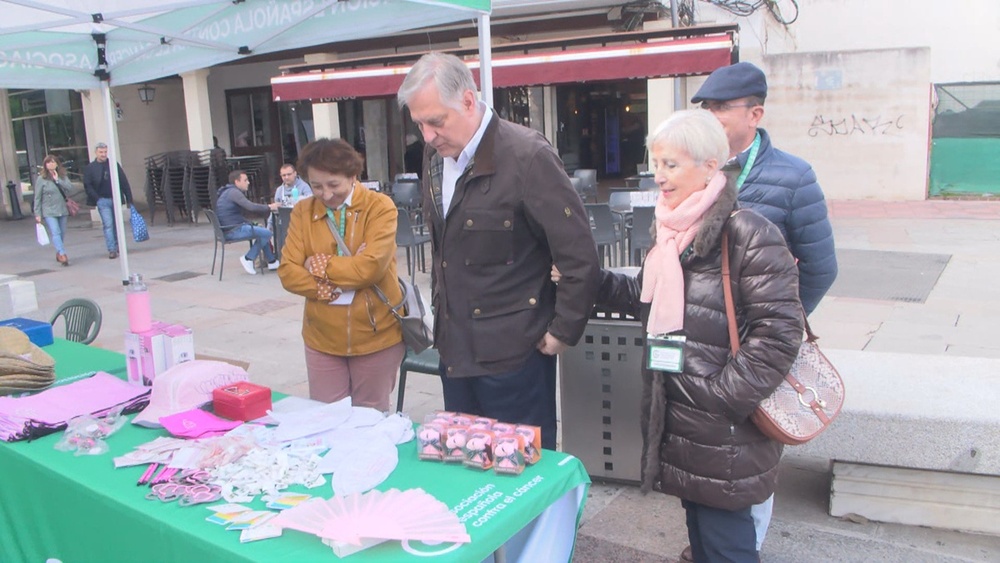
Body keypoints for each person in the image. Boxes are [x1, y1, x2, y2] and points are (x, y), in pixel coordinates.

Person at [554, 110, 803, 562]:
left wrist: (721, 396)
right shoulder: (673, 230)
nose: (660, 177)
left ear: (711, 165)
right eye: (657, 163)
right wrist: (585, 279)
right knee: (703, 539)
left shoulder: (747, 232)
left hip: (723, 427)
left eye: (672, 164)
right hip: (681, 417)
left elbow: (780, 333)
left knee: (727, 545)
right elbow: (645, 297)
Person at [396, 52, 600, 450]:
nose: (427, 135)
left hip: (515, 356)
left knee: (522, 476)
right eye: (419, 123)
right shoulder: (434, 155)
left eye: (436, 121)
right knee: (470, 469)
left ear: (469, 101)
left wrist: (563, 330)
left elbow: (579, 255)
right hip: (455, 349)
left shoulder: (528, 156)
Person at [690, 60, 839, 560]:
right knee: (713, 468)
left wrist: (776, 333)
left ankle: (744, 548)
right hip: (704, 350)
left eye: (721, 108)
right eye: (705, 107)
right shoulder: (693, 168)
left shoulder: (792, 177)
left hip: (758, 354)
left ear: (755, 113)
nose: (710, 117)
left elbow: (819, 267)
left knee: (751, 464)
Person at [277, 139, 404, 411]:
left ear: (352, 176)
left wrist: (319, 264)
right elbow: (288, 272)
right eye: (316, 186)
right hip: (322, 335)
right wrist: (324, 287)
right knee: (326, 416)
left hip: (376, 332)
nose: (325, 194)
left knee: (369, 417)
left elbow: (371, 268)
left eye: (333, 184)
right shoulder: (303, 210)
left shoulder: (379, 207)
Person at [214, 170, 280, 275]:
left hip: (228, 229)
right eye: (245, 180)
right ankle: (248, 258)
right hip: (233, 231)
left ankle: (272, 261)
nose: (248, 182)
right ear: (237, 182)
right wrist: (269, 207)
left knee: (261, 231)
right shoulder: (234, 193)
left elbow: (234, 215)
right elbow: (250, 206)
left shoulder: (227, 192)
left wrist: (252, 224)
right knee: (266, 233)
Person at [83, 142, 134, 259]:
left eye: (105, 152)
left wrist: (129, 198)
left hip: (115, 198)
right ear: (96, 152)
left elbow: (123, 182)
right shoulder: (90, 168)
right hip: (102, 200)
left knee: (117, 224)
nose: (103, 154)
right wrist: (96, 198)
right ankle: (112, 249)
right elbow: (87, 185)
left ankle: (118, 246)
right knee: (108, 224)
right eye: (101, 152)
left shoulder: (113, 165)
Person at [33, 155, 74, 266]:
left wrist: (58, 180)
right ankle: (62, 253)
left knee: (62, 232)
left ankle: (58, 250)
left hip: (62, 209)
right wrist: (37, 213)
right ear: (45, 165)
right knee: (55, 232)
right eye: (48, 162)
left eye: (53, 162)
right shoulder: (41, 179)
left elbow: (69, 188)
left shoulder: (62, 176)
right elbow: (37, 197)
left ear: (57, 164)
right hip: (49, 210)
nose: (51, 164)